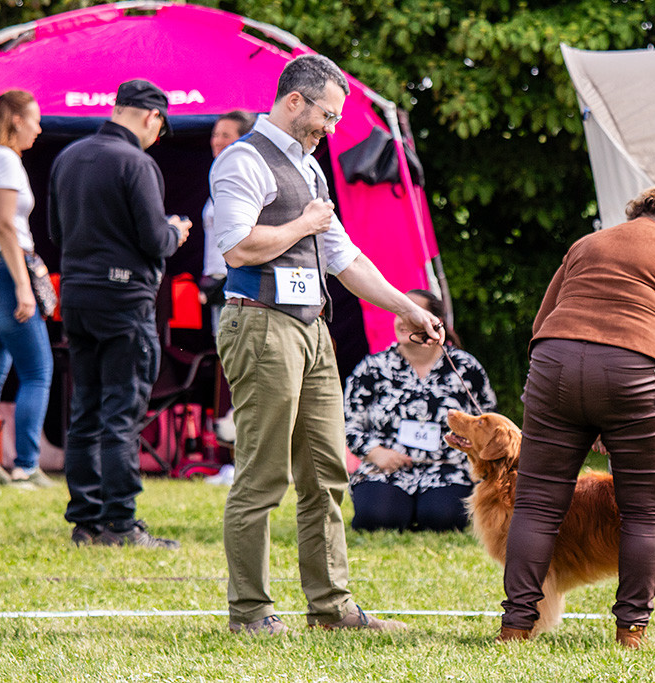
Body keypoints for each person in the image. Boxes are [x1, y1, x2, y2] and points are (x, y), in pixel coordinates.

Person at [210, 54, 443, 636]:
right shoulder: (243, 159)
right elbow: (236, 247)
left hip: (312, 329)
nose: (332, 128)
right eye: (327, 116)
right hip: (261, 324)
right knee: (262, 476)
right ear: (295, 101)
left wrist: (409, 308)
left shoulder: (312, 172)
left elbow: (345, 260)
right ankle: (251, 613)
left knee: (327, 473)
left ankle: (332, 609)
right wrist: (303, 225)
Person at [498, 184, 655, 648]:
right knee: (647, 512)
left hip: (555, 367)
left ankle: (516, 628)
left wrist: (587, 402)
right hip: (638, 376)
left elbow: (542, 323)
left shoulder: (585, 245)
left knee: (537, 502)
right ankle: (631, 632)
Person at [48, 79, 192, 548]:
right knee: (121, 412)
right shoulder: (137, 163)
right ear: (152, 117)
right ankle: (121, 523)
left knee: (84, 409)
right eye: (161, 127)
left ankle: (86, 522)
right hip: (125, 301)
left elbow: (54, 231)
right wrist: (175, 231)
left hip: (77, 297)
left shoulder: (67, 157)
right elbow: (155, 241)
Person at [345, 289, 497, 532]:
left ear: (435, 321)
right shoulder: (372, 368)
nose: (403, 320)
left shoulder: (465, 367)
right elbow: (348, 423)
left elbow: (488, 422)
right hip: (387, 466)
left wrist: (474, 454)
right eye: (399, 312)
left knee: (443, 520)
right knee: (377, 519)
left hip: (449, 467)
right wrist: (374, 452)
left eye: (412, 312)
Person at [0, 90, 54, 488]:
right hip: (6, 269)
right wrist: (23, 285)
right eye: (34, 119)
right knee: (37, 370)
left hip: (1, 267)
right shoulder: (5, 159)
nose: (39, 127)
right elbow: (3, 224)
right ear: (16, 119)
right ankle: (27, 464)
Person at [201, 109, 256, 334]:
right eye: (215, 134)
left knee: (237, 349)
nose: (217, 141)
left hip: (237, 281)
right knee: (225, 348)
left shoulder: (244, 178)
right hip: (217, 281)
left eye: (225, 135)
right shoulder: (219, 176)